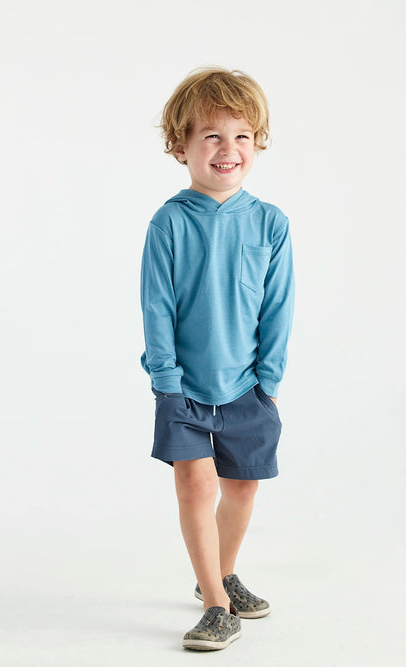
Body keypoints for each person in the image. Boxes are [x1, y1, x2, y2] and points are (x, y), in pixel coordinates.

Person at [140, 66, 295, 651]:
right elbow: (157, 307)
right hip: (182, 387)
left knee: (242, 487)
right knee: (195, 485)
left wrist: (268, 382)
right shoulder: (169, 222)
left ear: (257, 143)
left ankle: (221, 574)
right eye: (211, 136)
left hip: (247, 387)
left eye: (242, 136)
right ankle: (215, 604)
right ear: (180, 147)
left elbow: (278, 307)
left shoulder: (271, 223)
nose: (228, 149)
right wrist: (166, 381)